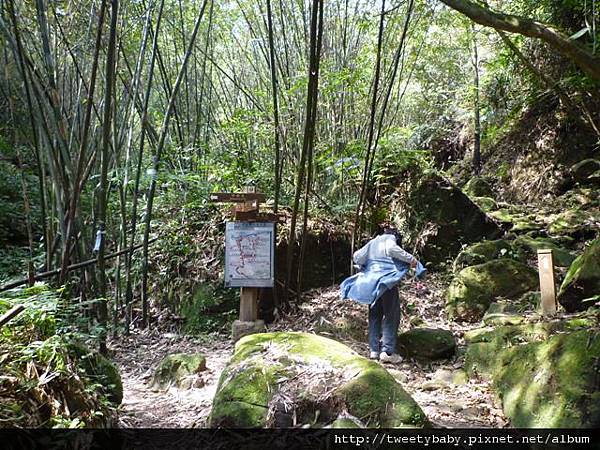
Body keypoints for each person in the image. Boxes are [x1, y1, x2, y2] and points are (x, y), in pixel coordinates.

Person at [340, 227, 426, 363]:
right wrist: (412, 260)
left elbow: (357, 257)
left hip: (372, 284)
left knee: (375, 314)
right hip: (386, 282)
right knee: (391, 315)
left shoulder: (373, 242)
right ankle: (387, 351)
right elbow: (392, 249)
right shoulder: (390, 238)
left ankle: (374, 350)